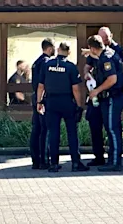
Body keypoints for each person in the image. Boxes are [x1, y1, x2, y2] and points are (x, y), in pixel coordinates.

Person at [36, 42, 89, 173]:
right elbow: (76, 89)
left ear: (58, 49)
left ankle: (54, 164)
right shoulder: (70, 67)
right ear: (69, 52)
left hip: (51, 102)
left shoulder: (47, 65)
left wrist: (39, 102)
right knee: (72, 132)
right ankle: (75, 163)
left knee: (53, 133)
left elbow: (41, 86)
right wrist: (79, 105)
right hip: (67, 101)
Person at [86, 36, 123, 172]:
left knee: (112, 129)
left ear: (92, 48)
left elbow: (112, 79)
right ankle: (112, 160)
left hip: (112, 97)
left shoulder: (106, 58)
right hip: (111, 97)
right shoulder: (108, 53)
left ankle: (115, 162)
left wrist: (96, 91)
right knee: (111, 128)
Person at [29, 41, 55, 170]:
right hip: (42, 98)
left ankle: (36, 160)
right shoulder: (46, 62)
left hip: (36, 97)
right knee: (45, 129)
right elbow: (43, 83)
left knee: (36, 129)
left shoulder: (36, 62)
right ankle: (44, 160)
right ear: (49, 48)